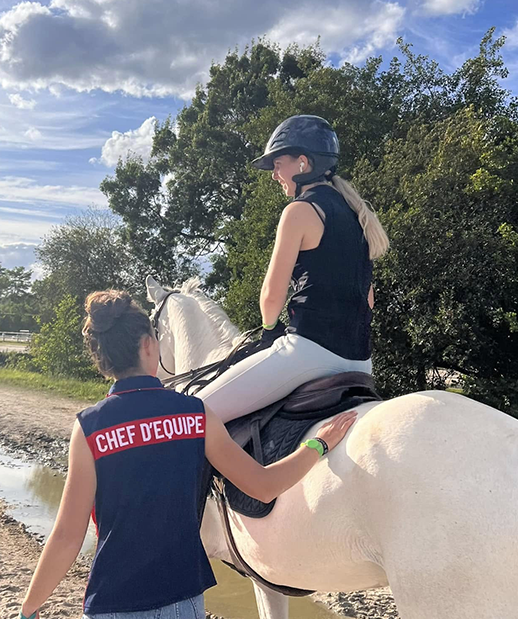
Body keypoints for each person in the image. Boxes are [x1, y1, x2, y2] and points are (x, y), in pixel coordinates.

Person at [18, 290, 356, 619]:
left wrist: (29, 608)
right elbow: (264, 486)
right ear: (148, 346)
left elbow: (66, 536)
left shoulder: (90, 428)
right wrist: (318, 445)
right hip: (181, 601)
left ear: (103, 361)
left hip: (113, 601)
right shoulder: (196, 415)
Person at [198, 114, 389, 423]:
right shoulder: (358, 216)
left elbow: (272, 295)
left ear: (302, 163)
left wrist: (270, 331)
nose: (274, 175)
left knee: (193, 415)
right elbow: (368, 301)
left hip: (308, 352)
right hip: (360, 363)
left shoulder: (299, 211)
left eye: (277, 164)